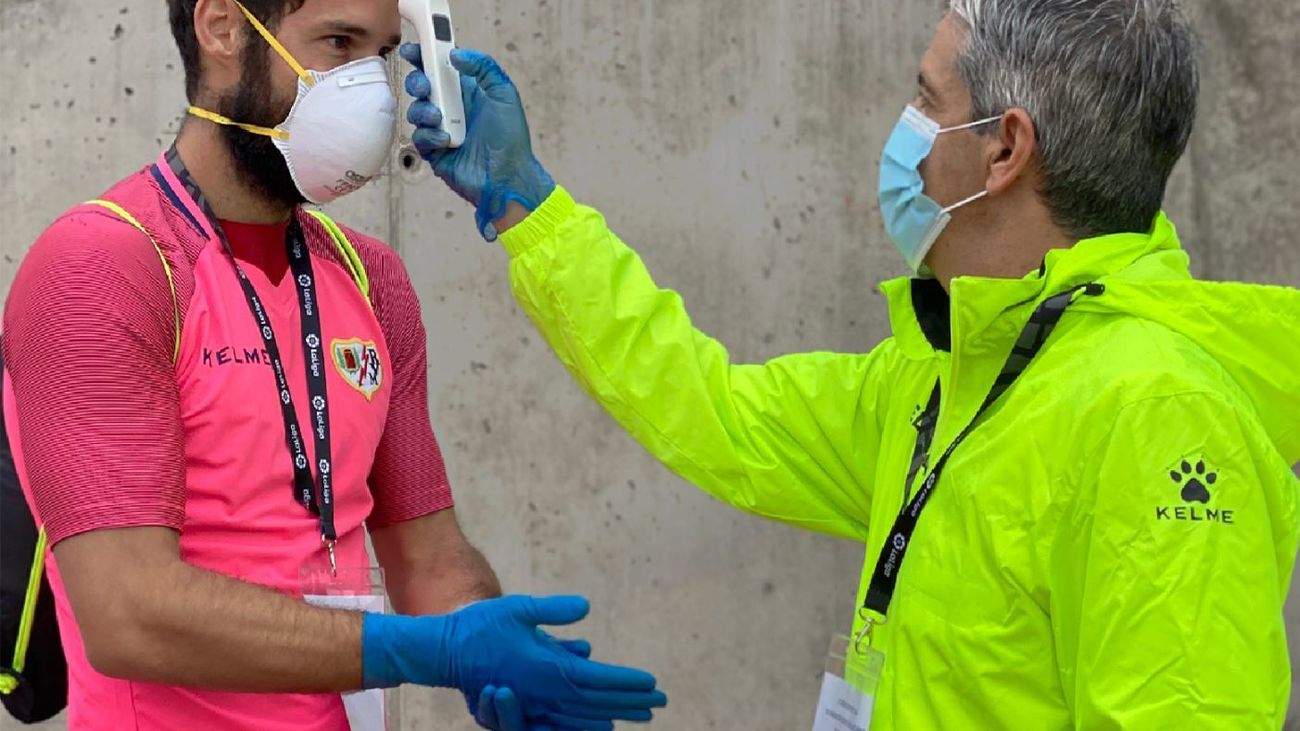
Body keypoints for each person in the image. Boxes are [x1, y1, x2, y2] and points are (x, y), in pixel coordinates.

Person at [402, 0, 1300, 727]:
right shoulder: (955, 373)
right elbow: (720, 414)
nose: (907, 129)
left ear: (1005, 148)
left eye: (929, 100)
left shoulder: (1159, 415)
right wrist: (531, 208)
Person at [1, 1, 667, 729]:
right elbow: (128, 613)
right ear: (222, 27)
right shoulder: (103, 267)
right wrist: (427, 649)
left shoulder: (370, 277)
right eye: (338, 43)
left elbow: (429, 555)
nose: (370, 92)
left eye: (378, 55)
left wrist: (498, 645)